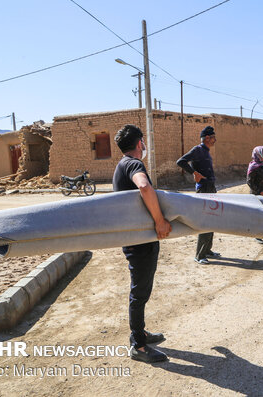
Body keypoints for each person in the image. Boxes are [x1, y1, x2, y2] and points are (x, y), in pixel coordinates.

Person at [113, 124, 172, 363]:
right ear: (140, 144)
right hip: (140, 242)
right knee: (139, 292)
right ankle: (138, 345)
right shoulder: (133, 164)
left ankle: (140, 333)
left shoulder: (121, 165)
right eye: (144, 142)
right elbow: (144, 187)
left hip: (136, 239)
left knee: (142, 290)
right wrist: (160, 221)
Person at [176, 125, 221, 264]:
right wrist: (194, 173)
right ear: (207, 138)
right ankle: (199, 255)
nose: (215, 140)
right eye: (213, 138)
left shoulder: (206, 151)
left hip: (210, 188)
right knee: (205, 221)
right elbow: (181, 161)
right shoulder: (198, 150)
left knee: (212, 219)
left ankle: (207, 250)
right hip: (203, 190)